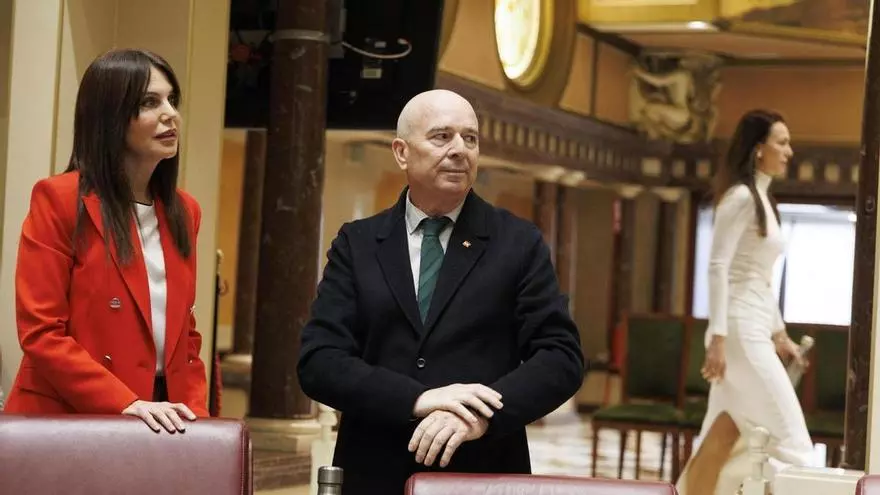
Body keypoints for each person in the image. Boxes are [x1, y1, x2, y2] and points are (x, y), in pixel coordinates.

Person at [297, 89, 584, 495]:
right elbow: (319, 361)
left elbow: (561, 358)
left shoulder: (518, 242)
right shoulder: (358, 243)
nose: (459, 150)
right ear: (401, 152)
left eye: (470, 138)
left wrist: (480, 415)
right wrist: (418, 400)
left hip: (482, 471)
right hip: (374, 471)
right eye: (441, 136)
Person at [3, 49, 209, 433]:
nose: (171, 113)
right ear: (110, 116)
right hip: (69, 418)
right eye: (150, 102)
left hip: (166, 414)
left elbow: (186, 336)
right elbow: (41, 333)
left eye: (172, 99)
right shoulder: (58, 199)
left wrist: (197, 420)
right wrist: (125, 402)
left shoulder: (185, 211)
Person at [676, 109, 813, 494]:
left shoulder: (764, 198)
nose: (789, 151)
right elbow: (718, 267)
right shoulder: (739, 197)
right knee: (795, 444)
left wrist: (780, 333)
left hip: (751, 327)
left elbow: (759, 277)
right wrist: (717, 340)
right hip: (737, 335)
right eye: (781, 142)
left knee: (721, 436)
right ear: (758, 149)